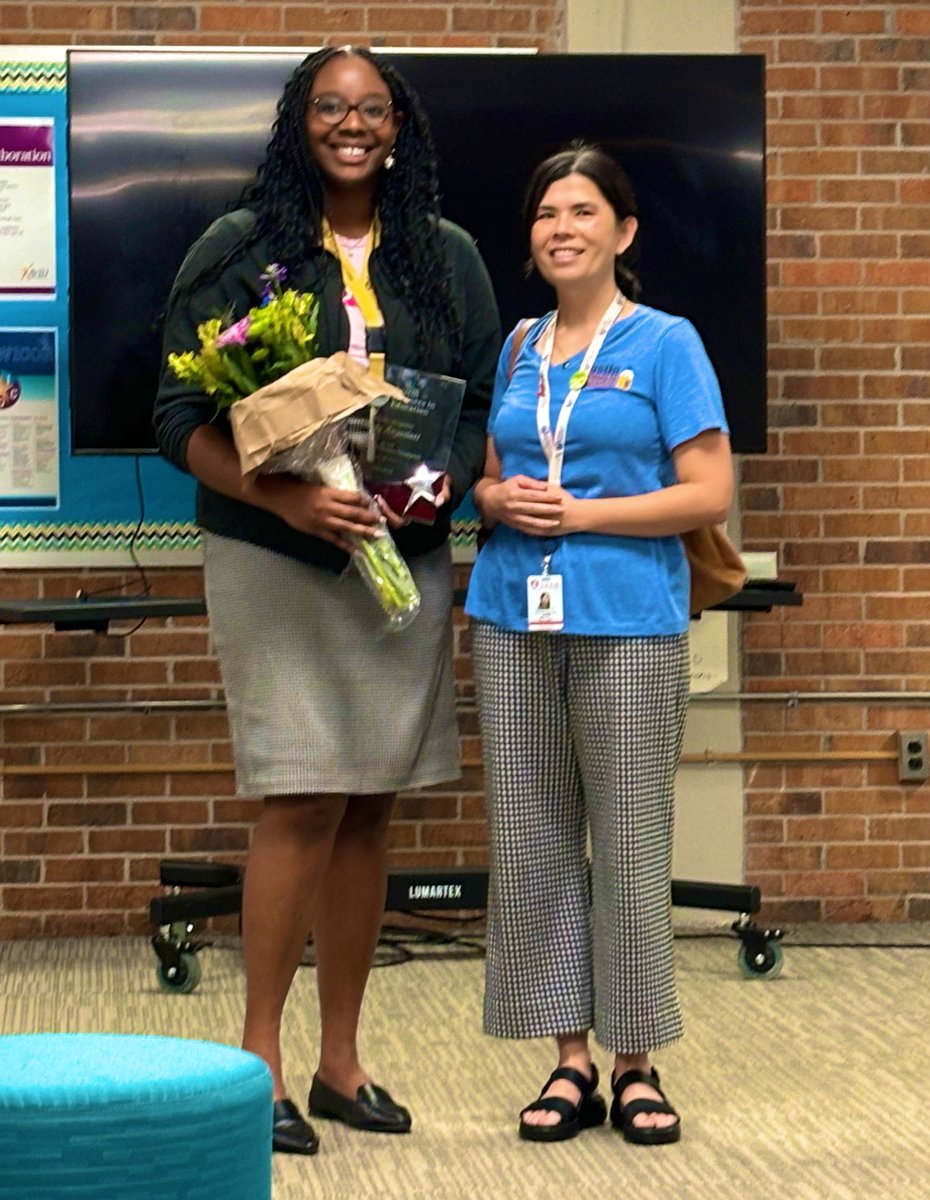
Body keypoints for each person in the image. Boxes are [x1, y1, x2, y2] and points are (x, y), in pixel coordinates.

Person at [154, 46, 500, 1156]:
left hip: (402, 554)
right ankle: (258, 1059)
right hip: (277, 554)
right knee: (300, 795)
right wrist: (289, 502)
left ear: (398, 129)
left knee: (370, 804)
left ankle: (341, 1061)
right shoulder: (240, 248)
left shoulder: (446, 256)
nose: (351, 125)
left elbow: (482, 398)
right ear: (299, 123)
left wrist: (428, 493)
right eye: (329, 108)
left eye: (372, 110)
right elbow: (178, 414)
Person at [465, 143, 734, 1146]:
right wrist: (495, 497)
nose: (560, 227)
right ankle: (568, 1060)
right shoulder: (520, 346)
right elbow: (491, 477)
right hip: (510, 614)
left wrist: (582, 518)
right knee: (532, 838)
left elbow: (709, 493)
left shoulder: (667, 342)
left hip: (628, 617)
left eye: (582, 211)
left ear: (622, 233)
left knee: (626, 840)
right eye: (545, 214)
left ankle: (635, 1063)